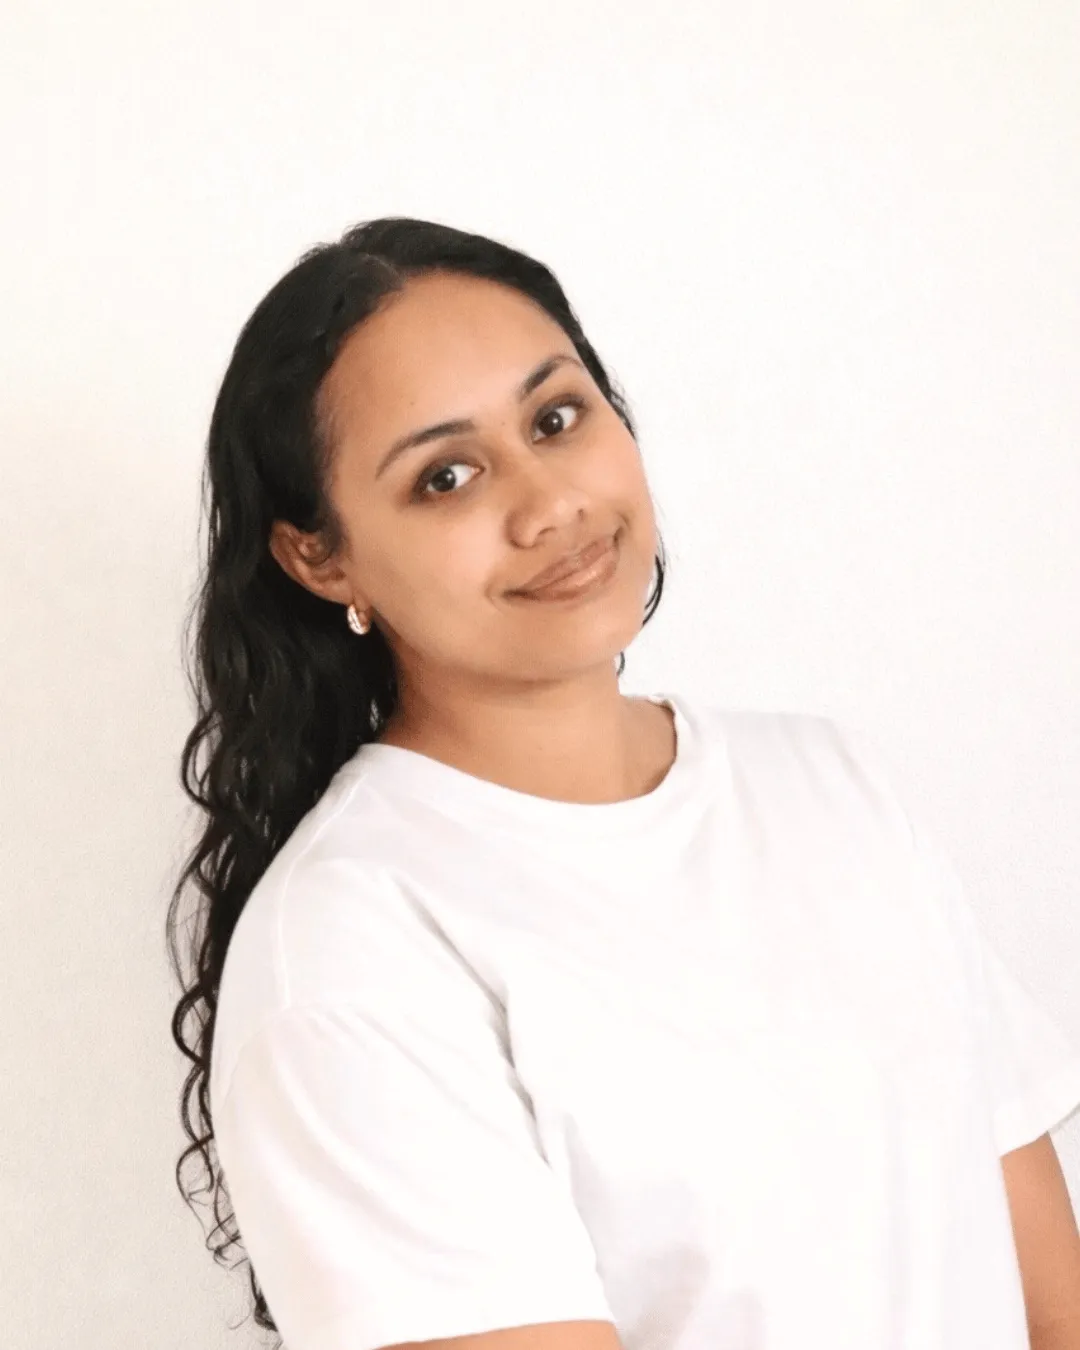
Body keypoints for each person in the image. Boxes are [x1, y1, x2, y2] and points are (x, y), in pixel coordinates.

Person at [168, 216, 1080, 1350]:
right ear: (321, 555)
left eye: (557, 419)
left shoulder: (833, 784)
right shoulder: (354, 944)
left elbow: (1047, 1294)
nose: (549, 505)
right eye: (446, 477)